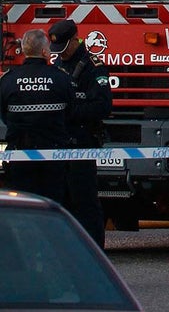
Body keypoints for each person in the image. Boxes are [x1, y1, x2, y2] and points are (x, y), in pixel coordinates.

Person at [49, 19, 112, 248]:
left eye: (64, 48)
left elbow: (103, 106)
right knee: (61, 200)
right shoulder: (57, 63)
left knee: (84, 201)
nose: (61, 54)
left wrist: (69, 112)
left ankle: (95, 252)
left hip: (82, 142)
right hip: (59, 143)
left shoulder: (92, 66)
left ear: (76, 40)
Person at [0, 29, 75, 204]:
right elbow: (70, 112)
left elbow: (3, 114)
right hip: (53, 157)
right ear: (44, 52)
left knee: (20, 206)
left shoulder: (8, 80)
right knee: (52, 206)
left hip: (19, 156)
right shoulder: (60, 78)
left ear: (25, 50)